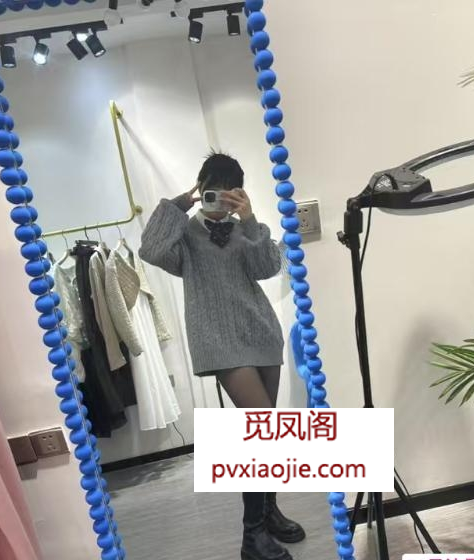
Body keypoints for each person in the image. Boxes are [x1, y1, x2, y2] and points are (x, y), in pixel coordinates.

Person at [139, 152, 305, 560]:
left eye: (230, 192)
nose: (221, 200)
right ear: (202, 188)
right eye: (213, 190)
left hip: (261, 332)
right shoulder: (183, 235)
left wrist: (249, 219)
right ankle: (252, 536)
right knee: (263, 428)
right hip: (218, 341)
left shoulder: (247, 229)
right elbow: (151, 250)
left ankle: (268, 513)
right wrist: (181, 203)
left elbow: (267, 268)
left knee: (267, 432)